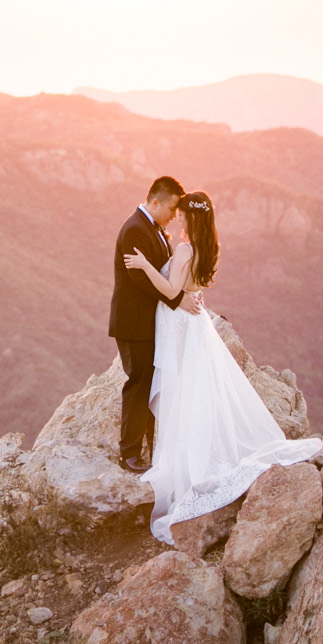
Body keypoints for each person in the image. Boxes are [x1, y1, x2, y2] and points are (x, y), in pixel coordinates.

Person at [122, 190, 321, 543]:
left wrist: (145, 266)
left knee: (181, 392)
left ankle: (186, 462)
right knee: (193, 390)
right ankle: (196, 449)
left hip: (179, 327)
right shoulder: (203, 249)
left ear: (189, 218)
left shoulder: (183, 250)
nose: (177, 218)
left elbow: (170, 289)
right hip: (193, 326)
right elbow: (187, 289)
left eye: (181, 214)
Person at [108, 177, 190, 471]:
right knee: (138, 383)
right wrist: (177, 299)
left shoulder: (155, 229)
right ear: (155, 202)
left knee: (151, 383)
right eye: (170, 208)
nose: (173, 216)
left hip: (150, 323)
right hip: (134, 324)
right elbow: (140, 279)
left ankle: (154, 449)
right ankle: (128, 453)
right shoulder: (134, 230)